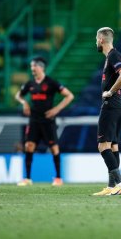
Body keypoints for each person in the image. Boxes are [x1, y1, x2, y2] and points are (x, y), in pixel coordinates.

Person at [15, 57, 74, 186]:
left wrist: (57, 109)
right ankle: (28, 179)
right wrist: (24, 102)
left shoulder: (51, 82)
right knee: (28, 146)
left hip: (48, 120)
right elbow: (18, 95)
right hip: (34, 120)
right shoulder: (30, 84)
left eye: (34, 67)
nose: (32, 69)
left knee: (54, 148)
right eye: (31, 67)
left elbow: (69, 95)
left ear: (41, 67)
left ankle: (58, 178)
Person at [92, 27, 121, 196]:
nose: (96, 42)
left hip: (111, 104)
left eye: (96, 39)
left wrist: (110, 92)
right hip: (116, 105)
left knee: (102, 146)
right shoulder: (111, 57)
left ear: (101, 40)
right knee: (113, 146)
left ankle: (120, 183)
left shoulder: (113, 55)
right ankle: (112, 185)